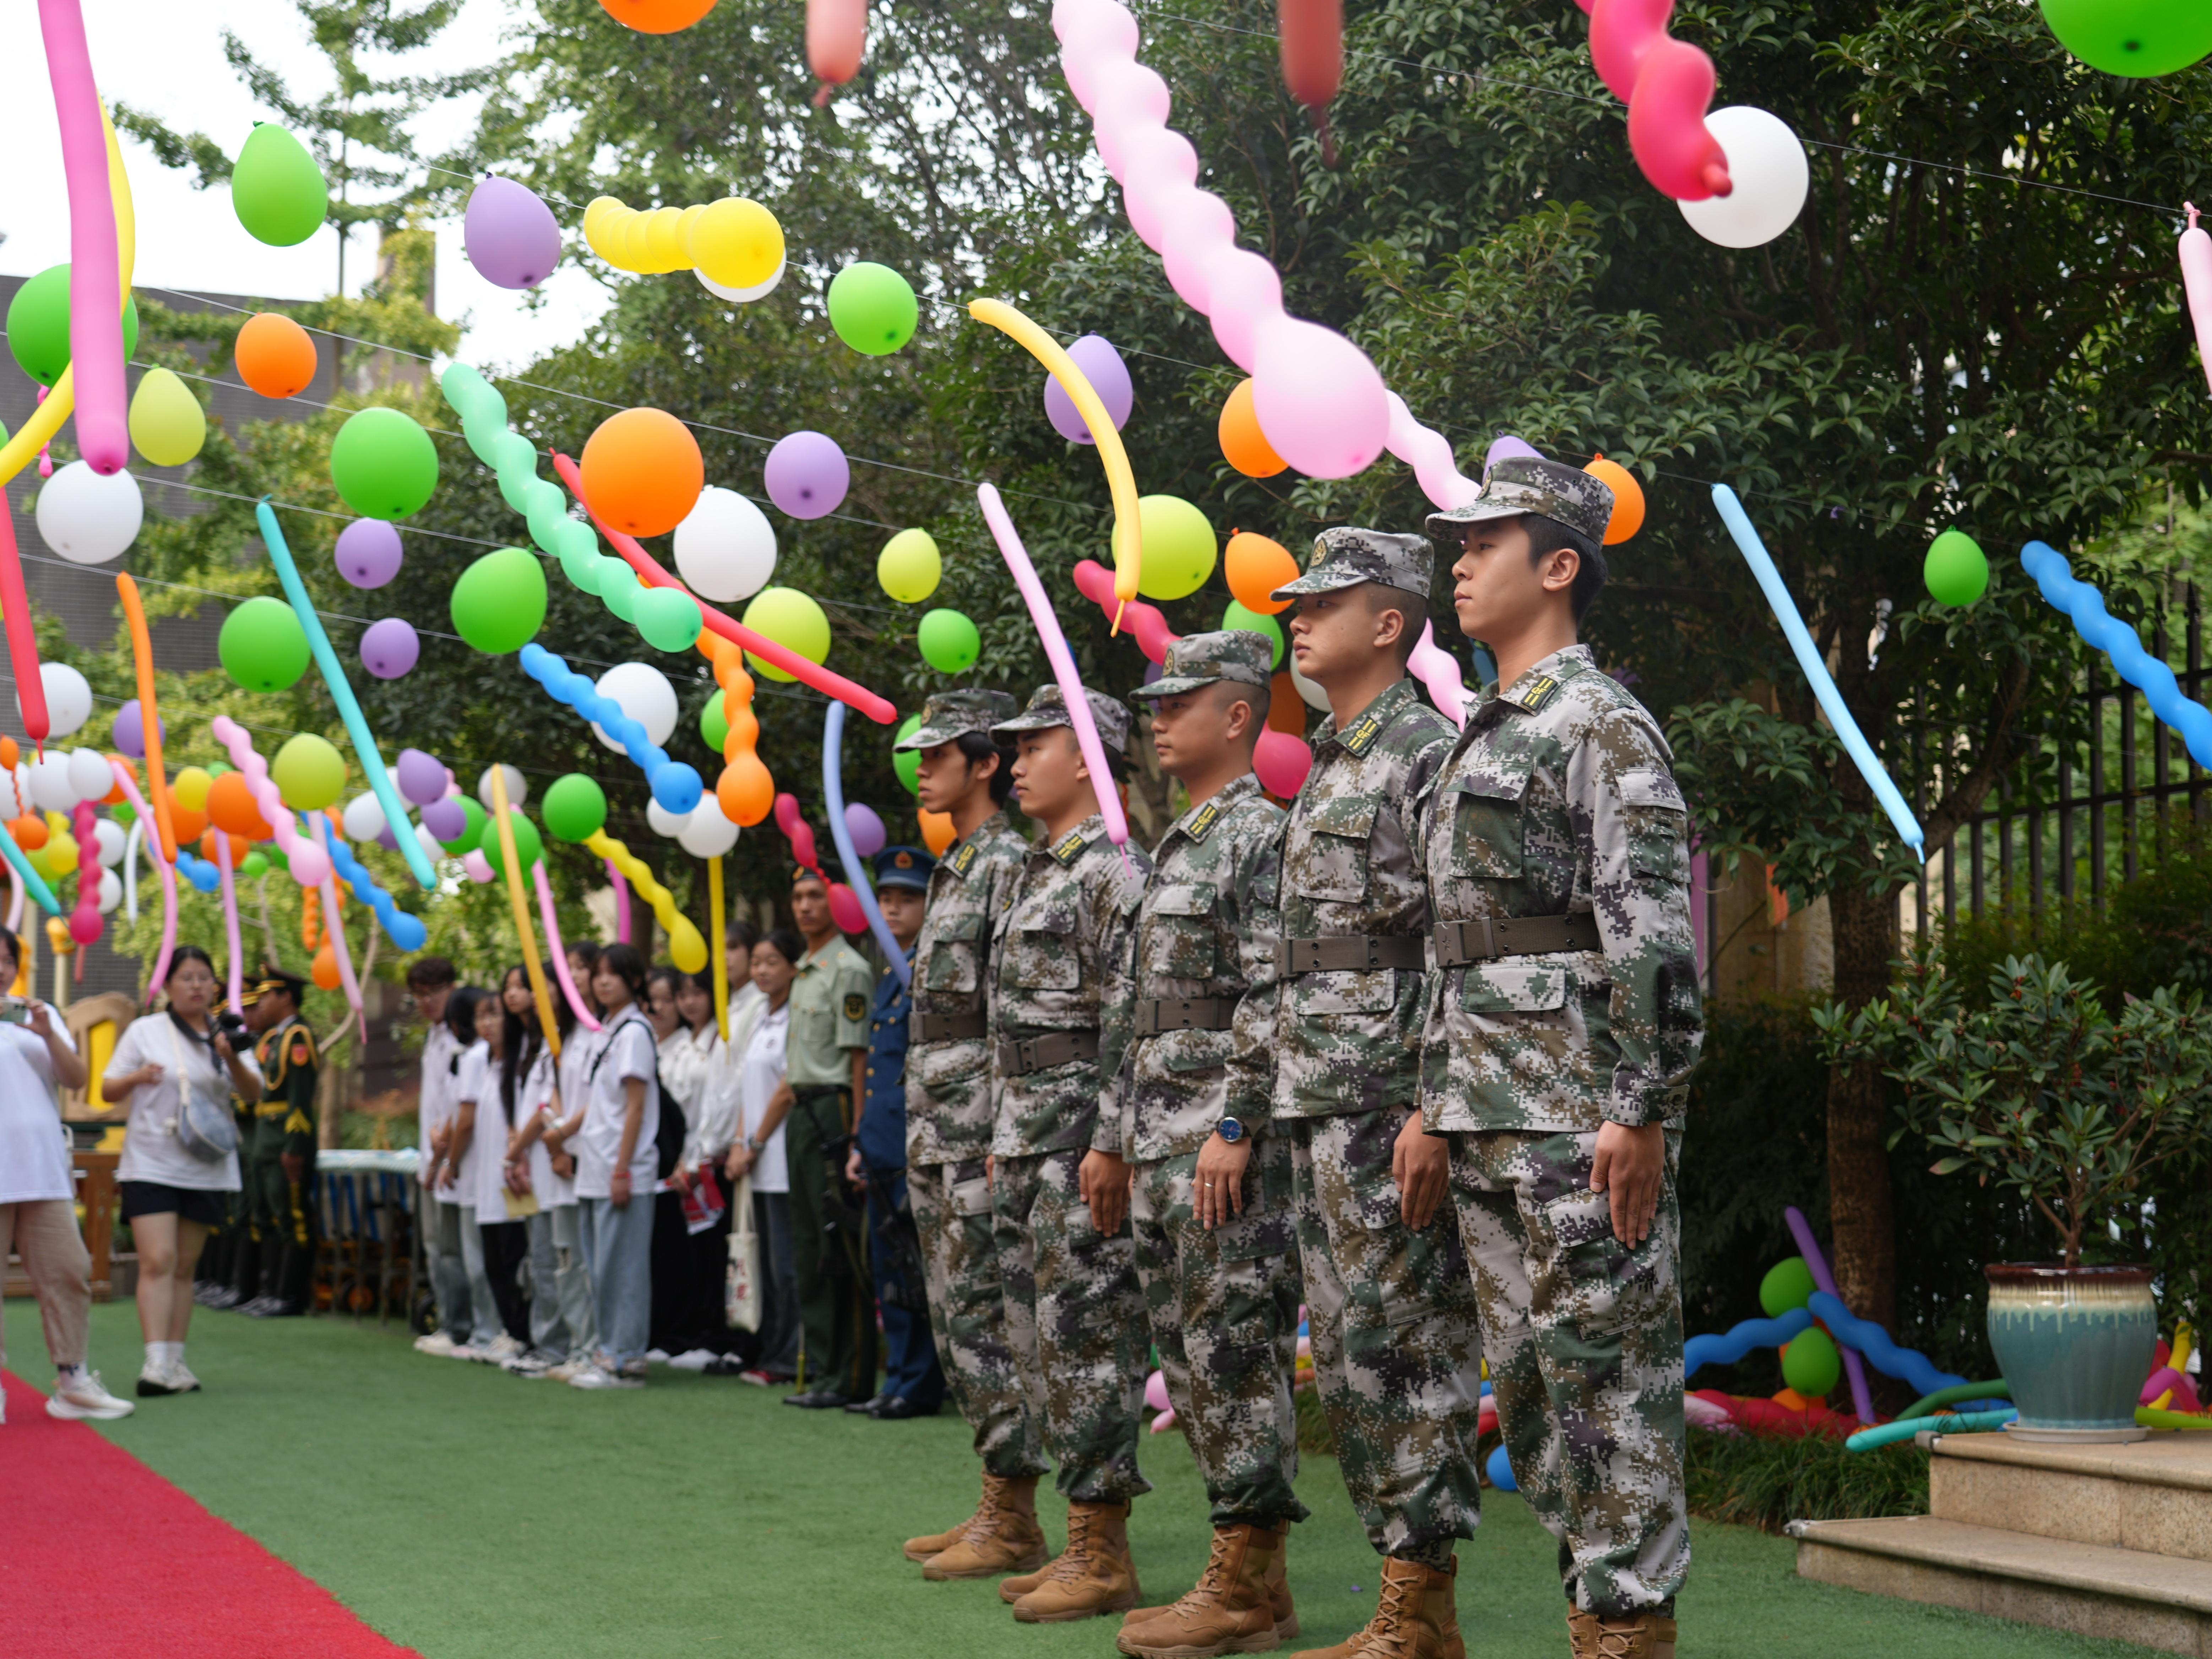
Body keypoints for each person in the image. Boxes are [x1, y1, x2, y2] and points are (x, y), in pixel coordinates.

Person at [1419, 460, 1702, 1659]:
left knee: (1605, 1380)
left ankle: (1627, 1630)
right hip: (1486, 1108)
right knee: (1534, 1395)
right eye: (1458, 545)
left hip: (1576, 1115)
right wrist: (1431, 1100)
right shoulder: (1483, 730)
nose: (1458, 564)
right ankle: (1594, 1617)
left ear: (1557, 565)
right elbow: (1454, 943)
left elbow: (1653, 931)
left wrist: (1638, 1107)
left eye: (1483, 543)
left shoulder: (1598, 723)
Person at [1267, 528, 1488, 1659]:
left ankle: (1421, 1604)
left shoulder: (1423, 753)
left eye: (1324, 602)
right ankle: (1404, 1600)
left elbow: (1457, 943)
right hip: (1319, 1100)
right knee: (1352, 1360)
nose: (1298, 618)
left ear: (1390, 623)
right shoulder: (1332, 760)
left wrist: (1430, 1107)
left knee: (1407, 1348)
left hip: (1385, 1103)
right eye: (1295, 604)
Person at [1107, 633, 1306, 1658]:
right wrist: (1114, 1135)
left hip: (1219, 1147)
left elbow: (1273, 992)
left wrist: (1237, 1123)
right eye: (1155, 702)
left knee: (1232, 1353)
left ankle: (1239, 1578)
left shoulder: (1258, 835)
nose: (1157, 716)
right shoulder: (1178, 842)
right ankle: (1257, 1584)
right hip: (1159, 1141)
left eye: (1177, 701)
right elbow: (1142, 1011)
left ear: (1236, 716)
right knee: (1190, 1364)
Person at [987, 684, 1153, 1623]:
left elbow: (1131, 1017)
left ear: (1087, 756)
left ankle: (1103, 1549)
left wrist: (1110, 1138)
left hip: (1077, 1141)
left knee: (1089, 1339)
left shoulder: (1112, 871)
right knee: (1038, 1341)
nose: (1015, 764)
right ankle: (1073, 1535)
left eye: (1034, 745)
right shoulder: (1036, 870)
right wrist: (999, 1132)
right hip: (1025, 1138)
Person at [892, 690, 1051, 1581]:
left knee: (989, 1315)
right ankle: (1000, 1495)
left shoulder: (1006, 864)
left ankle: (1015, 1513)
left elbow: (1009, 1008)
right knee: (958, 1316)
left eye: (939, 753)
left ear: (984, 762)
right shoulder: (956, 863)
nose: (922, 768)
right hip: (937, 1123)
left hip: (977, 1125)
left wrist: (998, 1120)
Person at [100, 946, 263, 1397]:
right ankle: (155, 1362)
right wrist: (137, 1078)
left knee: (185, 1266)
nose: (196, 985)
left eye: (204, 978)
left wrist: (231, 1056)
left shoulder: (228, 1033)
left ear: (215, 986)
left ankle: (175, 1360)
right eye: (187, 977)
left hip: (206, 1165)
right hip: (151, 1161)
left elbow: (254, 1092)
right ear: (168, 985)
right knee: (159, 1260)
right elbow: (108, 1088)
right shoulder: (145, 1030)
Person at [0, 925, 132, 1422]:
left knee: (68, 1270)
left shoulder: (39, 1015)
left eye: (6, 960)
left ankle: (73, 1381)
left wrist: (48, 1033)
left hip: (42, 1170)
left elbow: (76, 1080)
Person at [841, 845, 946, 1420]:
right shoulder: (890, 972)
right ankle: (900, 1374)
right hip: (884, 1139)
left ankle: (921, 1383)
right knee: (890, 1268)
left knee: (916, 1266)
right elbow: (878, 1070)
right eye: (885, 897)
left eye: (907, 898)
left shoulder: (929, 968)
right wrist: (862, 1141)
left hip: (916, 1140)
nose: (893, 908)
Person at [778, 868, 877, 1409]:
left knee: (838, 1243)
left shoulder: (849, 969)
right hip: (801, 1111)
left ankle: (850, 1374)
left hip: (834, 1111)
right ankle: (822, 1368)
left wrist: (857, 1132)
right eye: (797, 897)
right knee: (808, 1243)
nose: (804, 906)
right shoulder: (803, 971)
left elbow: (858, 1057)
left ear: (836, 903)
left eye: (815, 896)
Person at [570, 942, 660, 1390]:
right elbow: (598, 1106)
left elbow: (635, 1107)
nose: (603, 981)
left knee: (622, 1268)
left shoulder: (635, 1032)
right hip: (595, 1167)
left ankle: (625, 1359)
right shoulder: (606, 1031)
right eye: (598, 973)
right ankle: (608, 1351)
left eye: (614, 974)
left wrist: (622, 1169)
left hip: (621, 1169)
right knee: (600, 1267)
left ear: (634, 981)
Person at [722, 928, 802, 1384]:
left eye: (772, 961)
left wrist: (752, 1145)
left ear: (793, 966)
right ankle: (772, 1351)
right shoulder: (760, 1017)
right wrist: (739, 1142)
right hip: (754, 1161)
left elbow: (786, 1088)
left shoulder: (796, 1016)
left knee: (787, 1266)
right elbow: (747, 1092)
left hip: (782, 1158)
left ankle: (791, 1358)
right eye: (757, 962)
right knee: (765, 1266)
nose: (762, 970)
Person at [498, 965, 575, 1377]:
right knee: (540, 1260)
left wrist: (516, 1152)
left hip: (554, 1168)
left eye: (541, 987)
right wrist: (517, 1153)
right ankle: (546, 1343)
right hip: (533, 1171)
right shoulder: (536, 1043)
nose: (529, 995)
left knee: (556, 1261)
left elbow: (548, 1109)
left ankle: (558, 1346)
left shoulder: (563, 1042)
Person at [431, 988, 513, 1363]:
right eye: (481, 1016)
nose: (487, 1024)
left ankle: (490, 1331)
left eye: (494, 1015)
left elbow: (465, 1120)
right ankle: (488, 1331)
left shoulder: (479, 1058)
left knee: (483, 1260)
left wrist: (450, 1163)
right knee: (482, 1258)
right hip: (481, 1176)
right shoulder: (483, 1057)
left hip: (484, 1174)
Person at [237, 965, 319, 1319]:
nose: (262, 1004)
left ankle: (290, 1295)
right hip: (266, 1138)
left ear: (286, 997)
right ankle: (270, 1291)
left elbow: (300, 1098)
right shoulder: (276, 1039)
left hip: (284, 1137)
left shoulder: (298, 1037)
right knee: (269, 1215)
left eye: (268, 995)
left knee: (293, 1217)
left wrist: (295, 1147)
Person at [407, 957, 474, 1356]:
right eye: (419, 995)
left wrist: (441, 1158)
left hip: (450, 1159)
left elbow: (457, 1106)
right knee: (436, 1247)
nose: (426, 1001)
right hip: (431, 1158)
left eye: (433, 992)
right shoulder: (433, 1037)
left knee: (452, 1249)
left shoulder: (460, 1039)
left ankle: (458, 1326)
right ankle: (448, 1321)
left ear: (452, 988)